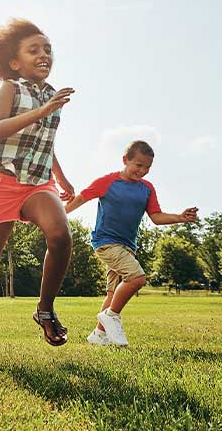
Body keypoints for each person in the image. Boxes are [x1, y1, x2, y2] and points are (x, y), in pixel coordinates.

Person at [0, 18, 76, 353]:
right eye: (34, 50)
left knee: (60, 235)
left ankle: (45, 309)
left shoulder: (52, 96)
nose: (44, 54)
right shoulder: (12, 88)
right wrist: (41, 111)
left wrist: (64, 178)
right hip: (2, 183)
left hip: (38, 183)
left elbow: (44, 142)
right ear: (15, 62)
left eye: (47, 49)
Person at [66, 140, 198, 346]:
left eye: (147, 167)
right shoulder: (107, 182)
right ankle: (111, 317)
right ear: (125, 160)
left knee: (113, 292)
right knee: (137, 278)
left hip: (128, 246)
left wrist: (181, 217)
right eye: (139, 165)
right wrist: (55, 215)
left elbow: (156, 216)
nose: (143, 171)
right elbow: (81, 199)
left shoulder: (147, 189)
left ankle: (98, 336)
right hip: (106, 242)